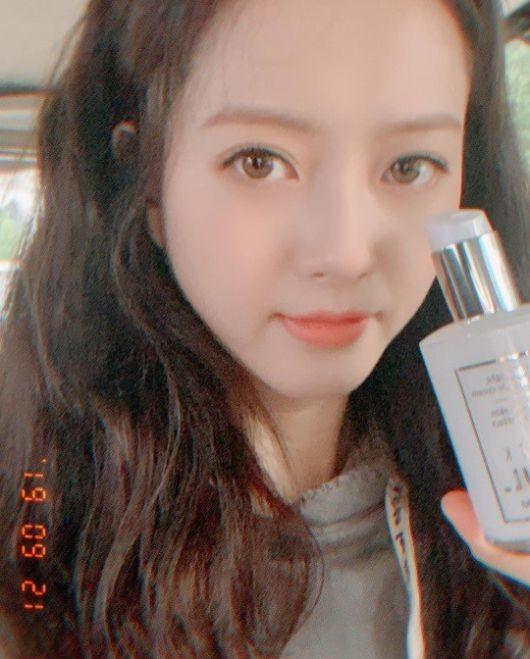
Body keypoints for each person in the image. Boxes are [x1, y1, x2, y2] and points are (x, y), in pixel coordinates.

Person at [0, 0, 529, 656]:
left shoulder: (492, 516)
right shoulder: (32, 532)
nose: (345, 253)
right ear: (145, 180)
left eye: (410, 166)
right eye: (259, 161)